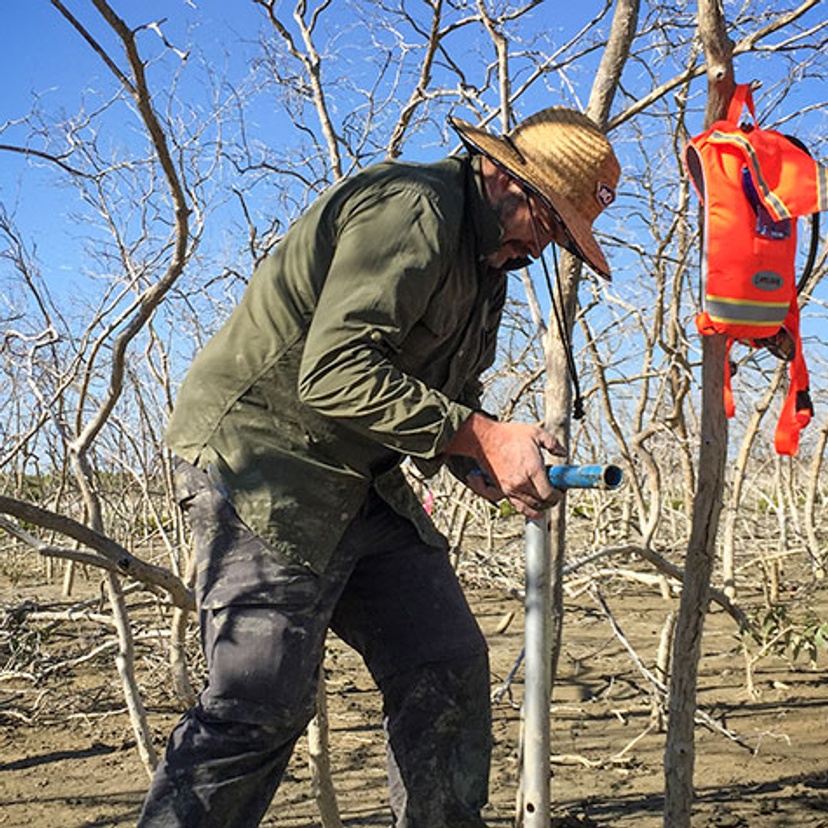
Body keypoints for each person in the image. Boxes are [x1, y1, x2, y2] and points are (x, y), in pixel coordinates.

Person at [138, 106, 620, 828]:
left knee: (445, 664)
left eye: (562, 235)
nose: (543, 245)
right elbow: (335, 371)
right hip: (263, 456)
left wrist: (475, 457)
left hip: (359, 475)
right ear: (503, 176)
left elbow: (451, 395)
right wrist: (479, 435)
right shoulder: (414, 207)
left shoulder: (491, 264)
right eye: (547, 220)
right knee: (260, 698)